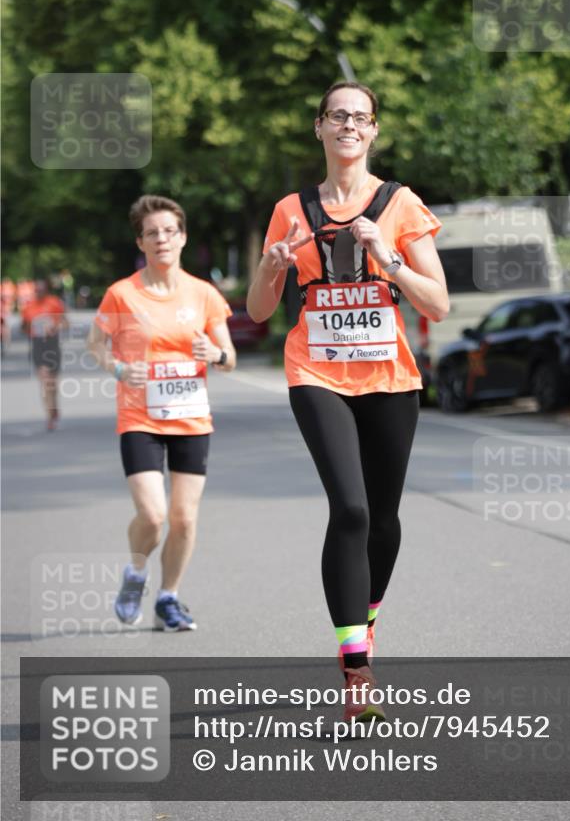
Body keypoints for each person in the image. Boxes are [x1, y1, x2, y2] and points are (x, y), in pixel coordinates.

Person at [247, 82, 449, 721]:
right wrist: (272, 267)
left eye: (360, 118)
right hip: (317, 373)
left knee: (385, 518)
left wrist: (386, 256)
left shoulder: (400, 203)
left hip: (391, 379)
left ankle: (363, 616)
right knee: (353, 510)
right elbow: (256, 310)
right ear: (319, 128)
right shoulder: (291, 210)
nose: (349, 126)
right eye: (338, 116)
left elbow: (437, 304)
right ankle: (356, 671)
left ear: (373, 131)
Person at [89, 195, 237, 632]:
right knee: (153, 516)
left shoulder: (204, 293)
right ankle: (136, 572)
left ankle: (168, 597)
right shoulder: (122, 293)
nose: (161, 239)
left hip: (191, 417)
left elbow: (229, 357)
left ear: (183, 237)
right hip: (140, 418)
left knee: (184, 518)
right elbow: (96, 345)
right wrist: (117, 367)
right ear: (141, 241)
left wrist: (215, 352)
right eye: (152, 233)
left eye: (169, 231)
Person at [21, 278, 68, 431]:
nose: (39, 292)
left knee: (52, 383)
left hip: (52, 345)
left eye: (42, 290)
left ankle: (54, 407)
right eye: (37, 290)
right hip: (38, 345)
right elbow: (23, 328)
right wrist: (30, 328)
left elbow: (66, 323)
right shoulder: (28, 307)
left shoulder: (54, 302)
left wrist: (54, 326)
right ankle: (49, 416)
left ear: (46, 290)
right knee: (45, 381)